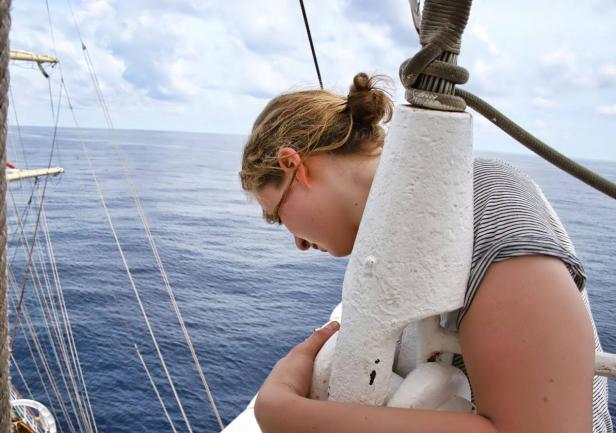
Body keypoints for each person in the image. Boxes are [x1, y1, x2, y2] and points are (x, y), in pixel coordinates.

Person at [239, 72, 612, 433]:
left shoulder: (488, 201)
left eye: (277, 215)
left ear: (294, 165)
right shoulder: (396, 237)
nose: (299, 243)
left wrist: (283, 413)